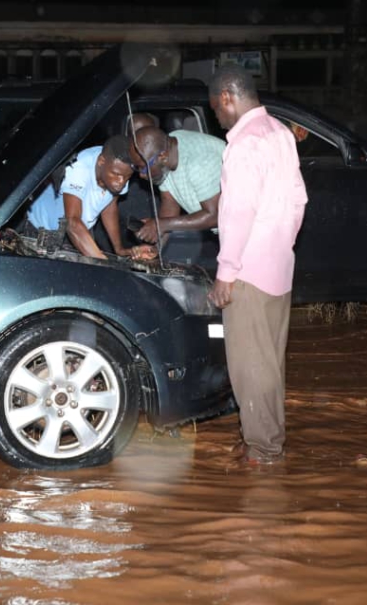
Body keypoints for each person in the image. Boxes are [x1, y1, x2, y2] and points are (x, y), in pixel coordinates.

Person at [206, 62, 308, 466]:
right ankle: (262, 438)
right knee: (270, 360)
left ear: (228, 97)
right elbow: (299, 200)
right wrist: (281, 243)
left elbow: (237, 213)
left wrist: (225, 273)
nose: (216, 116)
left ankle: (264, 451)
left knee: (250, 365)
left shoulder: (244, 143)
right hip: (280, 265)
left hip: (248, 269)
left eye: (215, 108)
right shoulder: (281, 134)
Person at [26, 134, 157, 261]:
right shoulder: (79, 169)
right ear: (101, 161)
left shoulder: (121, 169)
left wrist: (119, 249)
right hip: (43, 232)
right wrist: (101, 262)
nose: (121, 183)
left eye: (127, 177)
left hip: (79, 230)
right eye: (116, 175)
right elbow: (72, 222)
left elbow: (109, 206)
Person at [126, 125, 225, 247]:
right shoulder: (165, 149)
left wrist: (161, 225)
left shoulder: (198, 161)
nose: (141, 175)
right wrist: (155, 248)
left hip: (249, 229)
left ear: (163, 156)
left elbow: (215, 215)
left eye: (143, 168)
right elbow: (170, 203)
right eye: (137, 168)